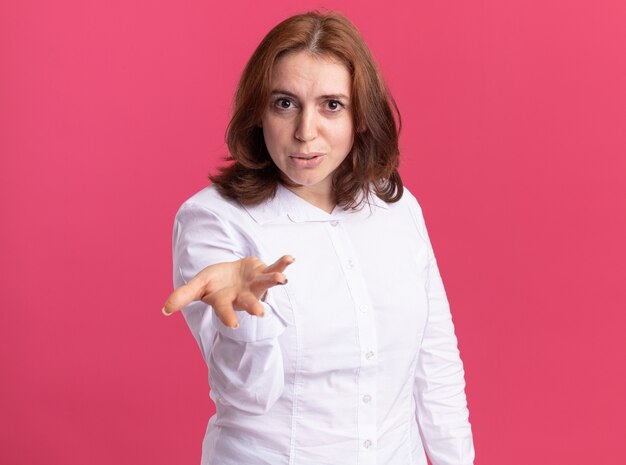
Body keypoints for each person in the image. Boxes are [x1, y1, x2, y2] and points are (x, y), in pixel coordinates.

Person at [162, 11, 474, 465]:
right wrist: (250, 319)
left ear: (360, 116)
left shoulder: (396, 208)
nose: (306, 132)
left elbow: (435, 360)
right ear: (258, 113)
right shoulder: (214, 220)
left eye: (332, 105)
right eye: (285, 103)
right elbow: (246, 394)